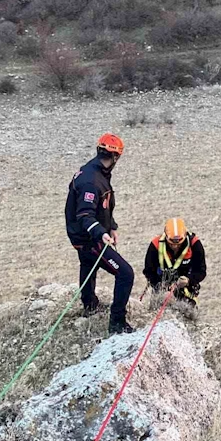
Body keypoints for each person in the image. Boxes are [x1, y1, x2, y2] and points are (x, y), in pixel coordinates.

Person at [65, 133, 135, 334]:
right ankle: (117, 323)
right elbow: (85, 214)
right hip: (89, 238)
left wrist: (111, 225)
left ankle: (89, 305)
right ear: (116, 157)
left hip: (82, 236)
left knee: (88, 265)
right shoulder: (91, 181)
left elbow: (102, 207)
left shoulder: (96, 171)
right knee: (125, 273)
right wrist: (99, 233)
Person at [143, 217, 206, 309]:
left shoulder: (194, 245)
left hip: (187, 289)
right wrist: (161, 287)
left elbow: (201, 271)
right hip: (161, 289)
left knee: (188, 312)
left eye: (179, 243)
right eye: (171, 243)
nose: (175, 246)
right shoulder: (155, 245)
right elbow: (149, 271)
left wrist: (189, 280)